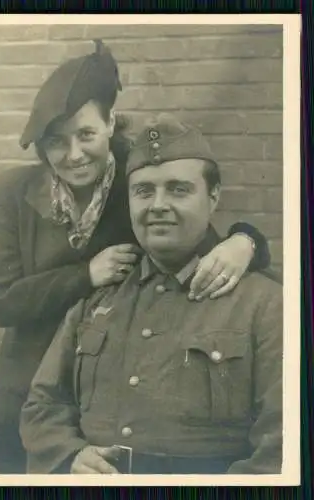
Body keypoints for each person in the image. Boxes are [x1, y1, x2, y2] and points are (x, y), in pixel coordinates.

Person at [0, 40, 271, 474]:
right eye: (56, 142)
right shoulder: (16, 191)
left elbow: (201, 239)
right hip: (33, 385)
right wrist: (87, 275)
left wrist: (245, 240)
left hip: (111, 386)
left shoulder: (140, 181)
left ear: (111, 124)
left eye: (86, 135)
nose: (74, 154)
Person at [19, 113, 282, 475]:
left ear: (213, 197)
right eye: (144, 191)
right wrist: (69, 455)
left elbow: (282, 445)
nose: (158, 205)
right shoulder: (99, 297)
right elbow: (43, 403)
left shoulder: (264, 303)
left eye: (178, 189)